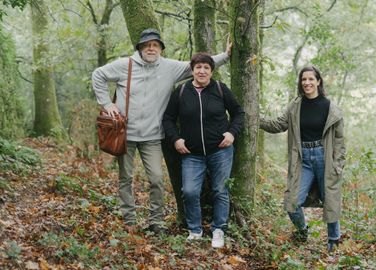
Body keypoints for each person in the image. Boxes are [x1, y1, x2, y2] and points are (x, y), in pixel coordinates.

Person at [92, 29, 231, 235]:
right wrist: (106, 104)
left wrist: (226, 56)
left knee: (156, 179)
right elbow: (98, 75)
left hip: (153, 137)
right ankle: (129, 220)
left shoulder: (169, 67)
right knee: (126, 178)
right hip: (125, 135)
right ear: (139, 47)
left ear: (160, 49)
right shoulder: (124, 65)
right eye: (147, 45)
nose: (151, 48)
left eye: (155, 45)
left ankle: (156, 222)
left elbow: (199, 67)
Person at [162, 52, 245, 248]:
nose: (202, 71)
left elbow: (238, 113)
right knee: (189, 191)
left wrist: (232, 133)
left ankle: (218, 230)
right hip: (192, 154)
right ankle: (195, 230)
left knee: (220, 190)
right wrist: (175, 139)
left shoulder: (219, 89)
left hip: (221, 151)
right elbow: (167, 119)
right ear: (192, 70)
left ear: (211, 71)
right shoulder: (181, 92)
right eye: (198, 67)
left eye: (206, 67)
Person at [260, 66, 346, 252]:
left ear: (318, 81)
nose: (307, 83)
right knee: (292, 202)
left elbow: (339, 141)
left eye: (310, 79)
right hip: (302, 159)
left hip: (325, 158)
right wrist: (255, 118)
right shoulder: (295, 105)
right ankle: (302, 230)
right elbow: (278, 124)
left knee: (330, 200)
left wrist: (338, 164)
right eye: (303, 79)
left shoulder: (330, 107)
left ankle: (333, 241)